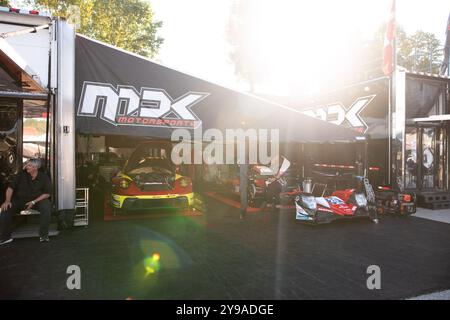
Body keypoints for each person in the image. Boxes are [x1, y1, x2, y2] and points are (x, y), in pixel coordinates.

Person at [0, 158, 52, 245]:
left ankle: (43, 235)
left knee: (46, 206)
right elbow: (10, 188)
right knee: (5, 208)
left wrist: (34, 202)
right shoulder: (21, 174)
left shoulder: (43, 177)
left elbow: (47, 193)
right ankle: (5, 237)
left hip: (37, 200)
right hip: (20, 199)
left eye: (29, 165)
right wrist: (7, 201)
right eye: (26, 164)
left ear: (36, 167)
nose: (26, 167)